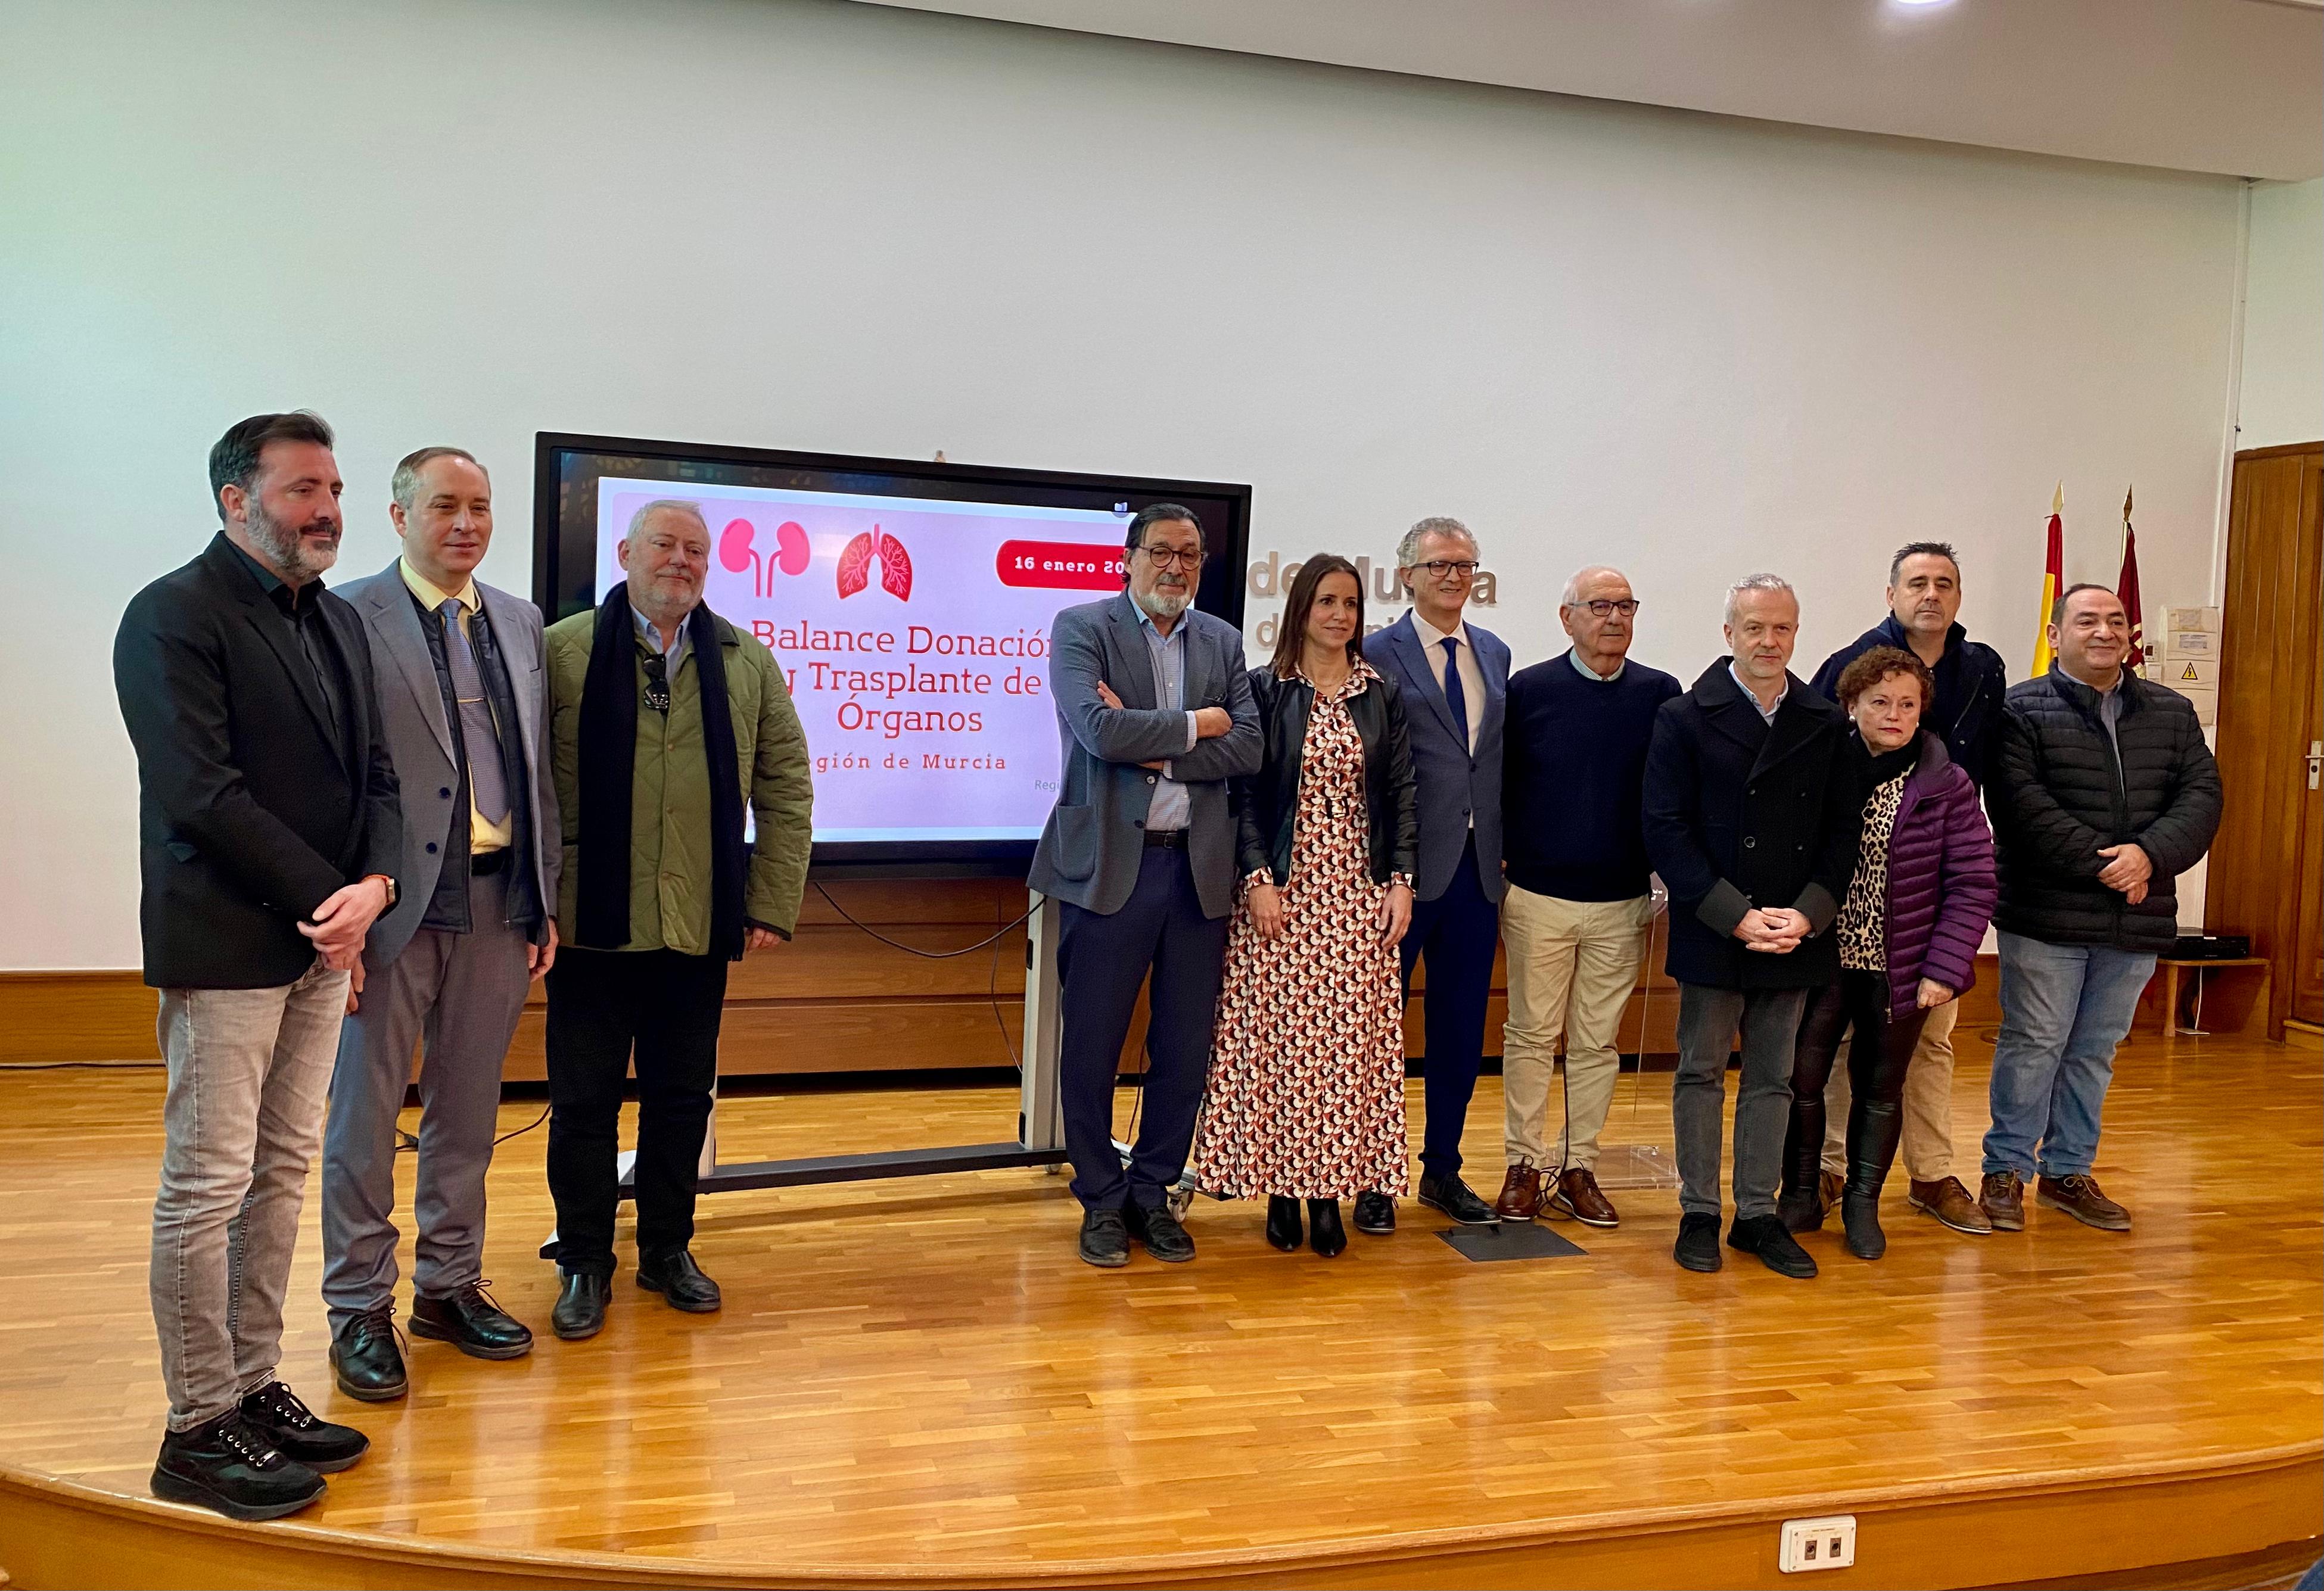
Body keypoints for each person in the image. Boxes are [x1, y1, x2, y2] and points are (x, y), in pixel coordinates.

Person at [113, 411, 400, 1520]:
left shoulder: (329, 618)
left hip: (323, 944)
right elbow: (201, 790)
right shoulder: (171, 615)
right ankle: (193, 1427)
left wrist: (370, 890)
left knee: (281, 1175)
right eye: (301, 490)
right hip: (230, 943)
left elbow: (377, 773)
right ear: (236, 499)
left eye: (331, 487)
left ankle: (250, 1387)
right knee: (206, 1187)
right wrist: (329, 901)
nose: (326, 508)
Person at [320, 448, 559, 1402]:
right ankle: (357, 1303)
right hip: (391, 907)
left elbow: (536, 767)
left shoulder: (519, 619)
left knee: (467, 1111)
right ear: (398, 514)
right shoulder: (347, 615)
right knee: (364, 1118)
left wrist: (545, 894)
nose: (466, 523)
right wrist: (339, 920)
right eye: (445, 506)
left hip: (501, 902)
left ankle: (448, 1284)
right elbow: (330, 774)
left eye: (481, 507)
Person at [540, 499, 812, 1337]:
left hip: (697, 919)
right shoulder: (560, 651)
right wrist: (530, 903)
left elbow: (786, 787)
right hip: (590, 918)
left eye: (696, 549)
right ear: (624, 551)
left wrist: (767, 898)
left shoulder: (745, 660)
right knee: (583, 1100)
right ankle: (585, 1256)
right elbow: (525, 786)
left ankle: (667, 1247)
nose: (682, 561)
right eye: (664, 544)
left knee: (679, 1098)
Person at [1029, 504, 1262, 1268]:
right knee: (1091, 1043)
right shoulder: (1081, 627)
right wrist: (1202, 724)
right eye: (1161, 552)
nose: (1176, 567)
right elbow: (1099, 733)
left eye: (1190, 556)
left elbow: (1251, 748)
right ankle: (1100, 1196)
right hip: (1107, 869)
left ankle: (1154, 1190)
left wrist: (1157, 745)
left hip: (1197, 872)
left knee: (1183, 1047)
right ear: (1127, 559)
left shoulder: (1223, 639)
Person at [1979, 584, 2221, 1232]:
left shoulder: (2170, 712)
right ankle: (2004, 1171)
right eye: (2087, 620)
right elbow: (2019, 808)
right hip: (2046, 911)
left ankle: (2066, 1172)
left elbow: (2201, 797)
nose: (2105, 631)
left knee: (2094, 1049)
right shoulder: (2018, 711)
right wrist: (2109, 864)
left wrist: (2147, 856)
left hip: (2137, 914)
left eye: (2115, 620)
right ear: (2056, 635)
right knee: (2033, 1043)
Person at [1200, 556, 1418, 1256]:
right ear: (1300, 608)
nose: (1340, 615)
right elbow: (1244, 795)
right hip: (1282, 896)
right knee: (1282, 1049)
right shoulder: (1265, 691)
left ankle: (1328, 1194)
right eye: (1326, 601)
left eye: (1351, 604)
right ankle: (1282, 1191)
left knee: (1345, 1052)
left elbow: (1403, 797)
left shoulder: (1380, 694)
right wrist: (1257, 876)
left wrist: (1401, 881)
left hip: (1358, 898)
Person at [1642, 573, 1855, 1279]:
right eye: (1755, 628)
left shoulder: (1824, 722)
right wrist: (1736, 916)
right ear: (1728, 633)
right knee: (1701, 1072)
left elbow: (1839, 836)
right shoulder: (1682, 716)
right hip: (1716, 924)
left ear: (1796, 634)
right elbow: (1666, 832)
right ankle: (1699, 1209)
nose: (1769, 641)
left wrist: (1806, 913)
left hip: (1794, 930)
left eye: (1782, 629)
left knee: (1774, 1078)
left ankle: (1756, 1215)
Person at [1806, 541, 2009, 1237]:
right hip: (1839, 921)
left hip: (1928, 897)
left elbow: (1988, 771)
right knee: (1832, 1053)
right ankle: (1831, 1170)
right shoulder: (1850, 661)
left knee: (1926, 1048)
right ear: (1890, 593)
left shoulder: (1981, 668)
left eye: (1944, 583)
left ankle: (1929, 1173)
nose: (1931, 594)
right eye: (1916, 582)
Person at [1777, 648, 1997, 1259]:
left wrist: (1945, 968)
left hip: (1902, 967)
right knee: (1803, 1080)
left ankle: (1861, 1205)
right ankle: (1800, 1193)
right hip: (1818, 958)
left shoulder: (1945, 782)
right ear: (1851, 704)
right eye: (1879, 702)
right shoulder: (1817, 763)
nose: (1894, 714)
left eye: (1907, 704)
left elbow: (1973, 880)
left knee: (1881, 1086)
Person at [1494, 566, 1679, 1226]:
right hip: (1539, 894)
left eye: (1625, 605)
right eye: (1599, 606)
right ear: (1566, 616)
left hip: (1622, 901)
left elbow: (1667, 795)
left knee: (1597, 1043)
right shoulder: (1529, 690)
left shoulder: (1660, 694)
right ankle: (1524, 1163)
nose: (1614, 618)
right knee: (1530, 1034)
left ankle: (1580, 1165)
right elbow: (1500, 784)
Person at [1361, 517, 1510, 1229]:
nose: (1456, 576)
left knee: (1459, 1030)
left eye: (1466, 565)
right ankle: (1368, 1176)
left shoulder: (1495, 652)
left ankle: (1442, 1171)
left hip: (1478, 875)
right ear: (1406, 576)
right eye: (1441, 564)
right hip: (1399, 876)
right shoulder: (1372, 653)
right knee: (1375, 1029)